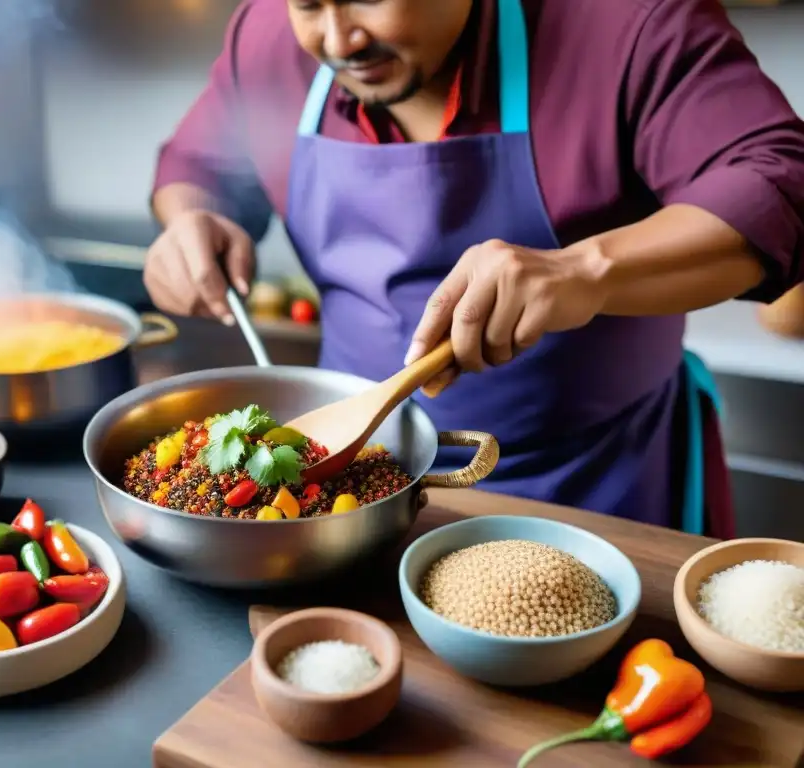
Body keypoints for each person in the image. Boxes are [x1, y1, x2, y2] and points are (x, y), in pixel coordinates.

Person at [144, 0, 804, 536]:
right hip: (354, 487)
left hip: (600, 488)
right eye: (310, 4)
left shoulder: (629, 22)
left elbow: (779, 186)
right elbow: (197, 167)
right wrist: (191, 221)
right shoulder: (266, 37)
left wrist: (583, 269)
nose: (340, 39)